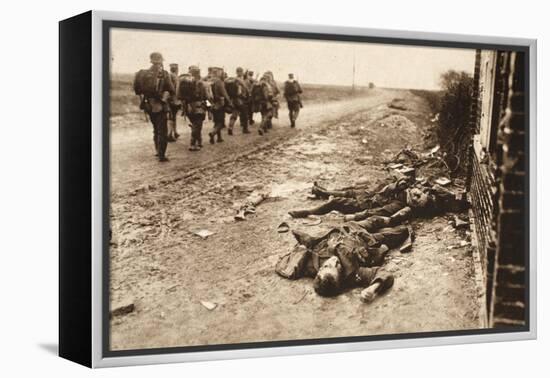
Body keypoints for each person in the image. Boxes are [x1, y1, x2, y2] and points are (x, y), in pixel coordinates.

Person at [276, 220, 411, 301]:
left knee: (373, 220)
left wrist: (302, 249)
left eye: (328, 266)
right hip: (364, 240)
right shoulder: (353, 275)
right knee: (401, 230)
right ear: (341, 277)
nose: (334, 261)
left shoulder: (310, 267)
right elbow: (384, 274)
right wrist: (373, 288)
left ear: (320, 271)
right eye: (338, 266)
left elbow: (284, 266)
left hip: (345, 229)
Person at [288, 178, 467, 219]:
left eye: (416, 199)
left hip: (366, 203)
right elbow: (447, 195)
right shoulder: (412, 189)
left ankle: (308, 212)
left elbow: (376, 211)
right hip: (371, 195)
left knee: (337, 202)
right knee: (352, 189)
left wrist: (355, 217)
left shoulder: (399, 204)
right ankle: (322, 192)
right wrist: (398, 183)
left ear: (413, 205)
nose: (415, 193)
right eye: (419, 193)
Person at [133, 52, 175, 162]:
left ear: (151, 61)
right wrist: (165, 98)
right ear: (160, 61)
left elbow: (137, 90)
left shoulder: (143, 73)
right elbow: (171, 90)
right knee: (162, 130)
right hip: (160, 104)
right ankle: (162, 154)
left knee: (155, 128)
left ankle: (157, 150)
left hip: (148, 105)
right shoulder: (164, 74)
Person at [178, 65, 210, 151]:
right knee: (197, 125)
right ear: (198, 73)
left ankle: (199, 142)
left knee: (195, 124)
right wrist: (209, 105)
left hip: (188, 107)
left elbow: (180, 95)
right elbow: (207, 96)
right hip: (199, 106)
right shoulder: (200, 83)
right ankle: (192, 144)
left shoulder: (184, 82)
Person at [208, 67, 232, 144]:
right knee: (221, 122)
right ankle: (213, 133)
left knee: (216, 121)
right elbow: (224, 93)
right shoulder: (219, 82)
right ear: (218, 73)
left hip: (211, 104)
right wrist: (229, 101)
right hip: (219, 104)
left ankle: (219, 138)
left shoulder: (209, 81)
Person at [226, 67, 250, 135]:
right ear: (241, 72)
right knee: (245, 114)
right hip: (240, 100)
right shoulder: (240, 80)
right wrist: (245, 96)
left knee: (234, 114)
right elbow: (240, 91)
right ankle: (245, 129)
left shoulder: (232, 80)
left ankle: (230, 127)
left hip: (233, 100)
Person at [167, 63, 181, 142]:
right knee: (172, 116)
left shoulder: (170, 75)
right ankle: (170, 134)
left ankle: (174, 132)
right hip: (174, 99)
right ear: (176, 69)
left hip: (171, 99)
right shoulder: (175, 77)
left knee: (172, 116)